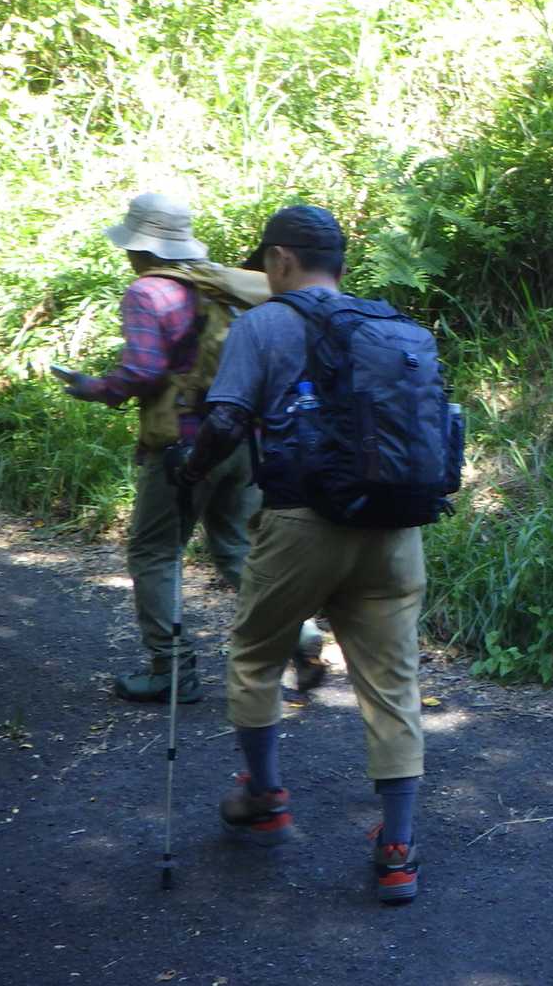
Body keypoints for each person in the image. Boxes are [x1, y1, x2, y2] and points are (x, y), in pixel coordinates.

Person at [173, 205, 428, 903]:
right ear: (340, 264)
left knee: (255, 656)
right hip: (395, 529)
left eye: (265, 262)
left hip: (301, 525)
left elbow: (227, 419)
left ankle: (265, 799)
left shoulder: (264, 325)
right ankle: (398, 850)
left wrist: (190, 474)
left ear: (281, 260)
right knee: (393, 684)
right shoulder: (393, 326)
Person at [61, 193, 327, 703]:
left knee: (155, 551)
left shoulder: (148, 292)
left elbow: (142, 370)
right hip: (243, 439)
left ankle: (171, 669)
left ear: (140, 247)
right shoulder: (220, 285)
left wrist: (94, 388)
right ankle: (300, 634)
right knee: (237, 547)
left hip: (184, 446)